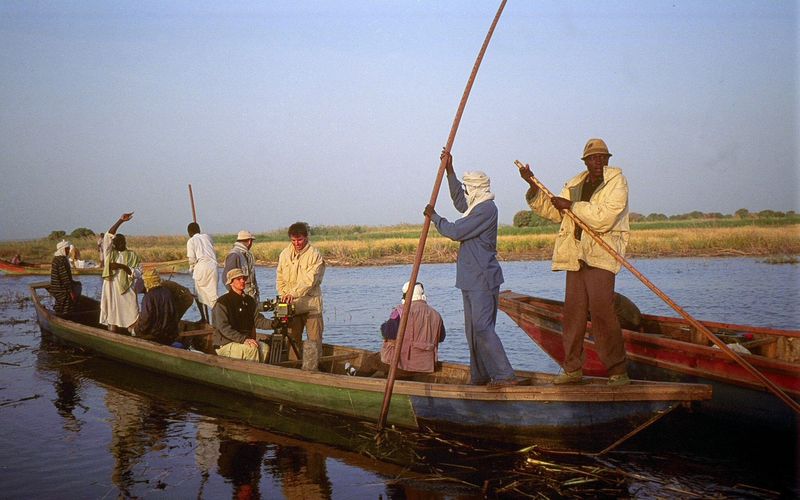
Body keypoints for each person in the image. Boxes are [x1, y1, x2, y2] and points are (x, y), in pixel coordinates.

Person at [518, 138, 631, 386]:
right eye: (593, 158)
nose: (598, 162)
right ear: (586, 161)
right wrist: (532, 184)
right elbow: (554, 211)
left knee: (602, 312)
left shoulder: (616, 182)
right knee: (573, 314)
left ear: (608, 160)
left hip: (601, 254)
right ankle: (572, 369)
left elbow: (605, 218)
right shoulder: (574, 183)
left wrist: (572, 206)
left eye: (602, 158)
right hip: (575, 255)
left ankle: (617, 371)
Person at [423, 150, 525, 389]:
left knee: (482, 327)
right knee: (472, 332)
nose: (466, 192)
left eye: (468, 188)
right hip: (469, 279)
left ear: (477, 189)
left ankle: (505, 376)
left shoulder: (487, 209)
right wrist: (450, 171)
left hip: (482, 279)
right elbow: (460, 201)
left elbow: (456, 231)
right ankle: (479, 376)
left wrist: (436, 218)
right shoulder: (474, 206)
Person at [357, 282, 446, 378]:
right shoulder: (436, 315)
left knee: (371, 361)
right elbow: (441, 338)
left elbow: (388, 333)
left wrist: (384, 325)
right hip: (426, 365)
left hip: (402, 364)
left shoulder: (401, 311)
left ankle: (355, 380)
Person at [276, 222, 325, 370]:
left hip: (311, 307)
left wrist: (293, 293)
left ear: (306, 237)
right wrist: (283, 295)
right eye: (293, 240)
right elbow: (280, 278)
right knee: (292, 341)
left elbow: (310, 280)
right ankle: (293, 370)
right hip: (292, 307)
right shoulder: (284, 254)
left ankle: (316, 371)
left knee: (315, 342)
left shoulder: (315, 256)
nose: (297, 243)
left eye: (300, 240)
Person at [212, 268, 271, 362]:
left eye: (243, 278)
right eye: (238, 279)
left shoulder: (249, 300)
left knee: (265, 348)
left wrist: (275, 324)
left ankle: (259, 372)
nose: (243, 281)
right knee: (251, 349)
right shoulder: (222, 302)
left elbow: (258, 321)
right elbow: (223, 328)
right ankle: (251, 374)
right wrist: (243, 339)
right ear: (231, 283)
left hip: (243, 341)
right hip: (225, 344)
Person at [100, 212, 142, 333]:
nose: (120, 244)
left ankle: (133, 333)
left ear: (125, 242)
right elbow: (108, 235)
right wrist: (120, 221)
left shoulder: (132, 255)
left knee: (132, 311)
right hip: (111, 287)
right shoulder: (110, 253)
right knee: (112, 313)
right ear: (113, 244)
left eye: (122, 242)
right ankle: (112, 334)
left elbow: (138, 273)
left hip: (127, 288)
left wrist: (122, 266)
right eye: (117, 242)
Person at [135, 269, 179, 345]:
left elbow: (146, 318)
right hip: (168, 335)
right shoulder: (167, 292)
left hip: (154, 336)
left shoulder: (148, 297)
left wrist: (137, 330)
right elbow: (174, 314)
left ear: (147, 282)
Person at [186, 222, 219, 322]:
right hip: (213, 267)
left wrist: (191, 268)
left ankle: (205, 319)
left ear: (189, 232)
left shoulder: (191, 241)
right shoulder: (207, 237)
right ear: (199, 230)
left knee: (198, 294)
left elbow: (192, 259)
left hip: (202, 267)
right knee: (213, 296)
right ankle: (218, 320)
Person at [222, 230, 259, 303]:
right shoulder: (234, 255)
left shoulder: (245, 254)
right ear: (249, 242)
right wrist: (235, 295)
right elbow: (226, 278)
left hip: (248, 295)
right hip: (240, 296)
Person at [50, 240, 80, 316]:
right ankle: (64, 318)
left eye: (68, 249)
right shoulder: (61, 260)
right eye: (66, 249)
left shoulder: (58, 258)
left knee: (60, 306)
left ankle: (59, 316)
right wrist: (71, 292)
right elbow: (65, 278)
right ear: (62, 249)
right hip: (60, 289)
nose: (68, 251)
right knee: (66, 306)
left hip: (58, 287)